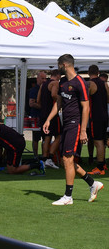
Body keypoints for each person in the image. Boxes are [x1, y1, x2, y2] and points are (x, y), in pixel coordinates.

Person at [43, 54, 103, 205]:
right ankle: (92, 183)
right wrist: (48, 119)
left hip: (75, 124)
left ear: (64, 65)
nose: (57, 66)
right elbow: (58, 103)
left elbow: (86, 107)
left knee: (67, 159)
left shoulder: (80, 83)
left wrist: (83, 130)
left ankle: (68, 197)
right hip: (66, 124)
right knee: (66, 161)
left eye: (58, 64)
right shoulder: (62, 82)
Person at [86, 64, 109, 175]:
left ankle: (100, 167)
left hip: (96, 116)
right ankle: (103, 164)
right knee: (102, 141)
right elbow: (108, 99)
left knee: (98, 141)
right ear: (98, 72)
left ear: (89, 73)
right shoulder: (105, 84)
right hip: (104, 115)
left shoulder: (90, 84)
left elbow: (84, 99)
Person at [37, 69, 61, 169]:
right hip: (52, 114)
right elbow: (53, 95)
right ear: (58, 76)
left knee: (46, 138)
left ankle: (44, 159)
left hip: (43, 114)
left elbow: (38, 100)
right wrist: (61, 100)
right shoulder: (55, 83)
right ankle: (50, 158)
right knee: (60, 136)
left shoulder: (43, 84)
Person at [28, 71, 46, 159]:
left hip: (44, 117)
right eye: (42, 78)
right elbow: (31, 104)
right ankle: (35, 156)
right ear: (37, 78)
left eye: (45, 78)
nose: (44, 80)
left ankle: (44, 156)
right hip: (36, 117)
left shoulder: (46, 88)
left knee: (45, 138)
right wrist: (43, 107)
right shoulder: (34, 90)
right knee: (36, 138)